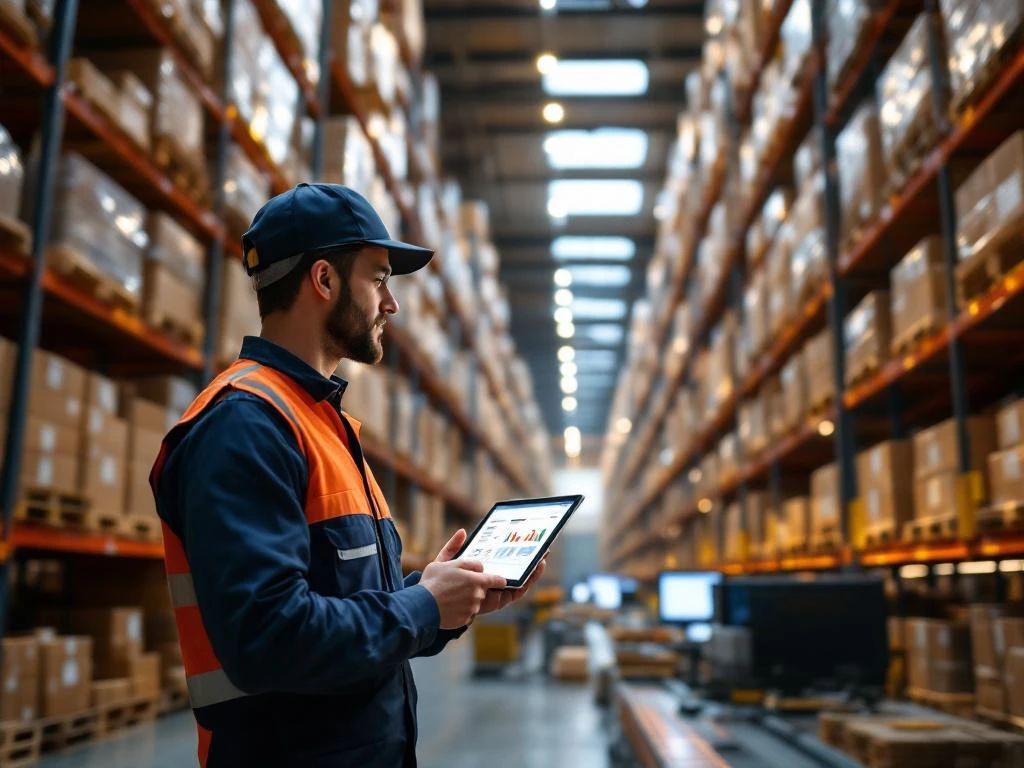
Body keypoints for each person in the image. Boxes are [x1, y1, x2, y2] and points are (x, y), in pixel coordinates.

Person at [150, 183, 545, 767]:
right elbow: (269, 637)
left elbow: (351, 614)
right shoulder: (246, 425)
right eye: (380, 278)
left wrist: (441, 601)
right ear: (324, 281)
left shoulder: (321, 422)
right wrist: (422, 607)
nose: (392, 305)